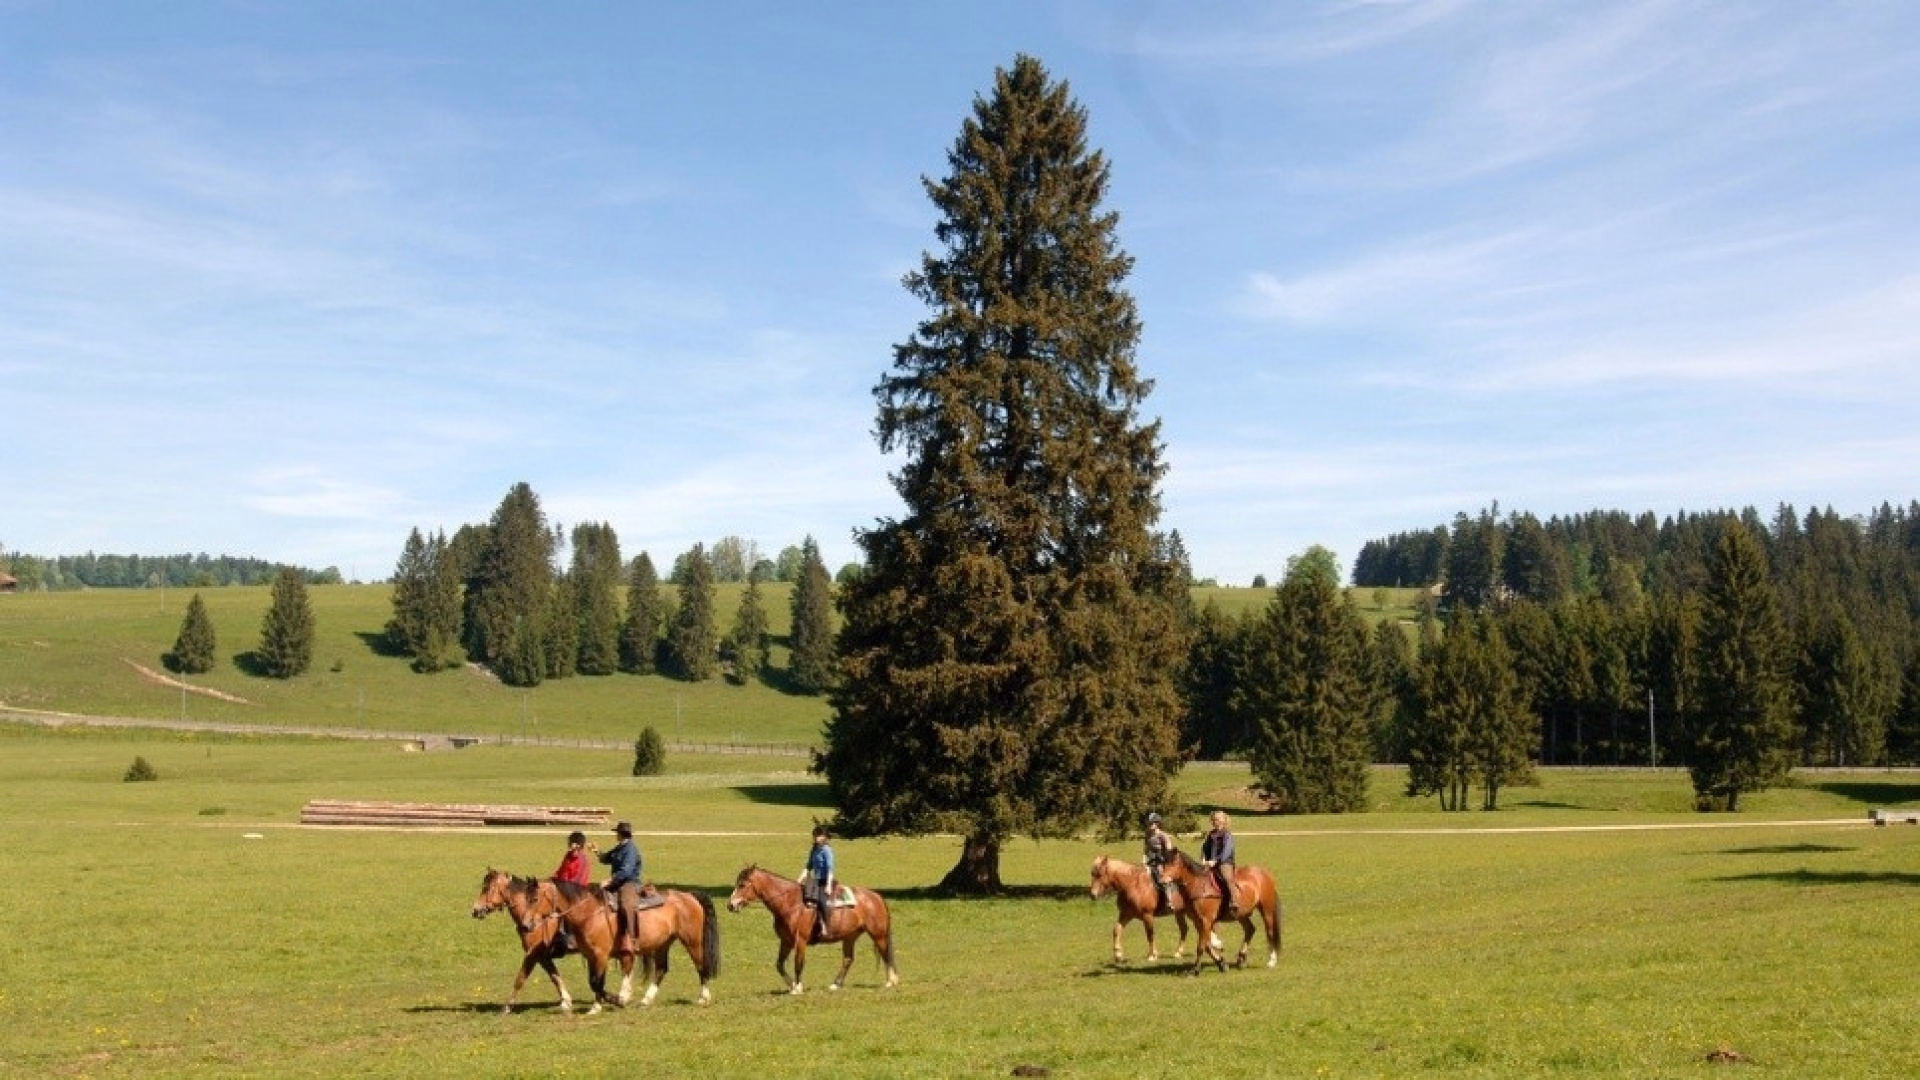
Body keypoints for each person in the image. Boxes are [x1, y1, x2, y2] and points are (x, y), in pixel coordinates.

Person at [593, 820, 643, 948]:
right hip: (617, 882)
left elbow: (626, 871)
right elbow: (607, 858)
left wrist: (610, 880)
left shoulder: (630, 850)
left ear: (621, 834)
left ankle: (631, 939)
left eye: (617, 833)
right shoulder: (620, 847)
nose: (616, 835)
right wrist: (597, 851)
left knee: (626, 905)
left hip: (629, 884)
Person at [800, 824, 835, 943]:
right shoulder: (814, 850)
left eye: (819, 835)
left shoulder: (826, 850)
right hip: (815, 880)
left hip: (825, 880)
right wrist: (800, 878)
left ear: (825, 837)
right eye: (815, 835)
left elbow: (830, 868)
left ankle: (826, 927)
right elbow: (808, 866)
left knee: (822, 901)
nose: (816, 837)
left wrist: (829, 885)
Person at [1201, 810, 1236, 917]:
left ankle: (1234, 900)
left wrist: (1215, 861)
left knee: (1226, 877)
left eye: (1217, 819)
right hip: (1210, 862)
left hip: (1224, 862)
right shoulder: (1211, 834)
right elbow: (1205, 848)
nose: (1214, 822)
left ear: (1223, 821)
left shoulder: (1227, 834)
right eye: (1213, 820)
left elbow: (1226, 851)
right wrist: (1203, 859)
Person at [1142, 812, 1176, 915]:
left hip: (1162, 861)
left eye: (1152, 823)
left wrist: (1165, 860)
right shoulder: (1147, 835)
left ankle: (1170, 901)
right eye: (1149, 823)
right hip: (1150, 861)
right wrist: (1143, 861)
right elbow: (1146, 850)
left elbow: (1169, 850)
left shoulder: (1163, 836)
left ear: (1157, 823)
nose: (1150, 825)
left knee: (1163, 877)